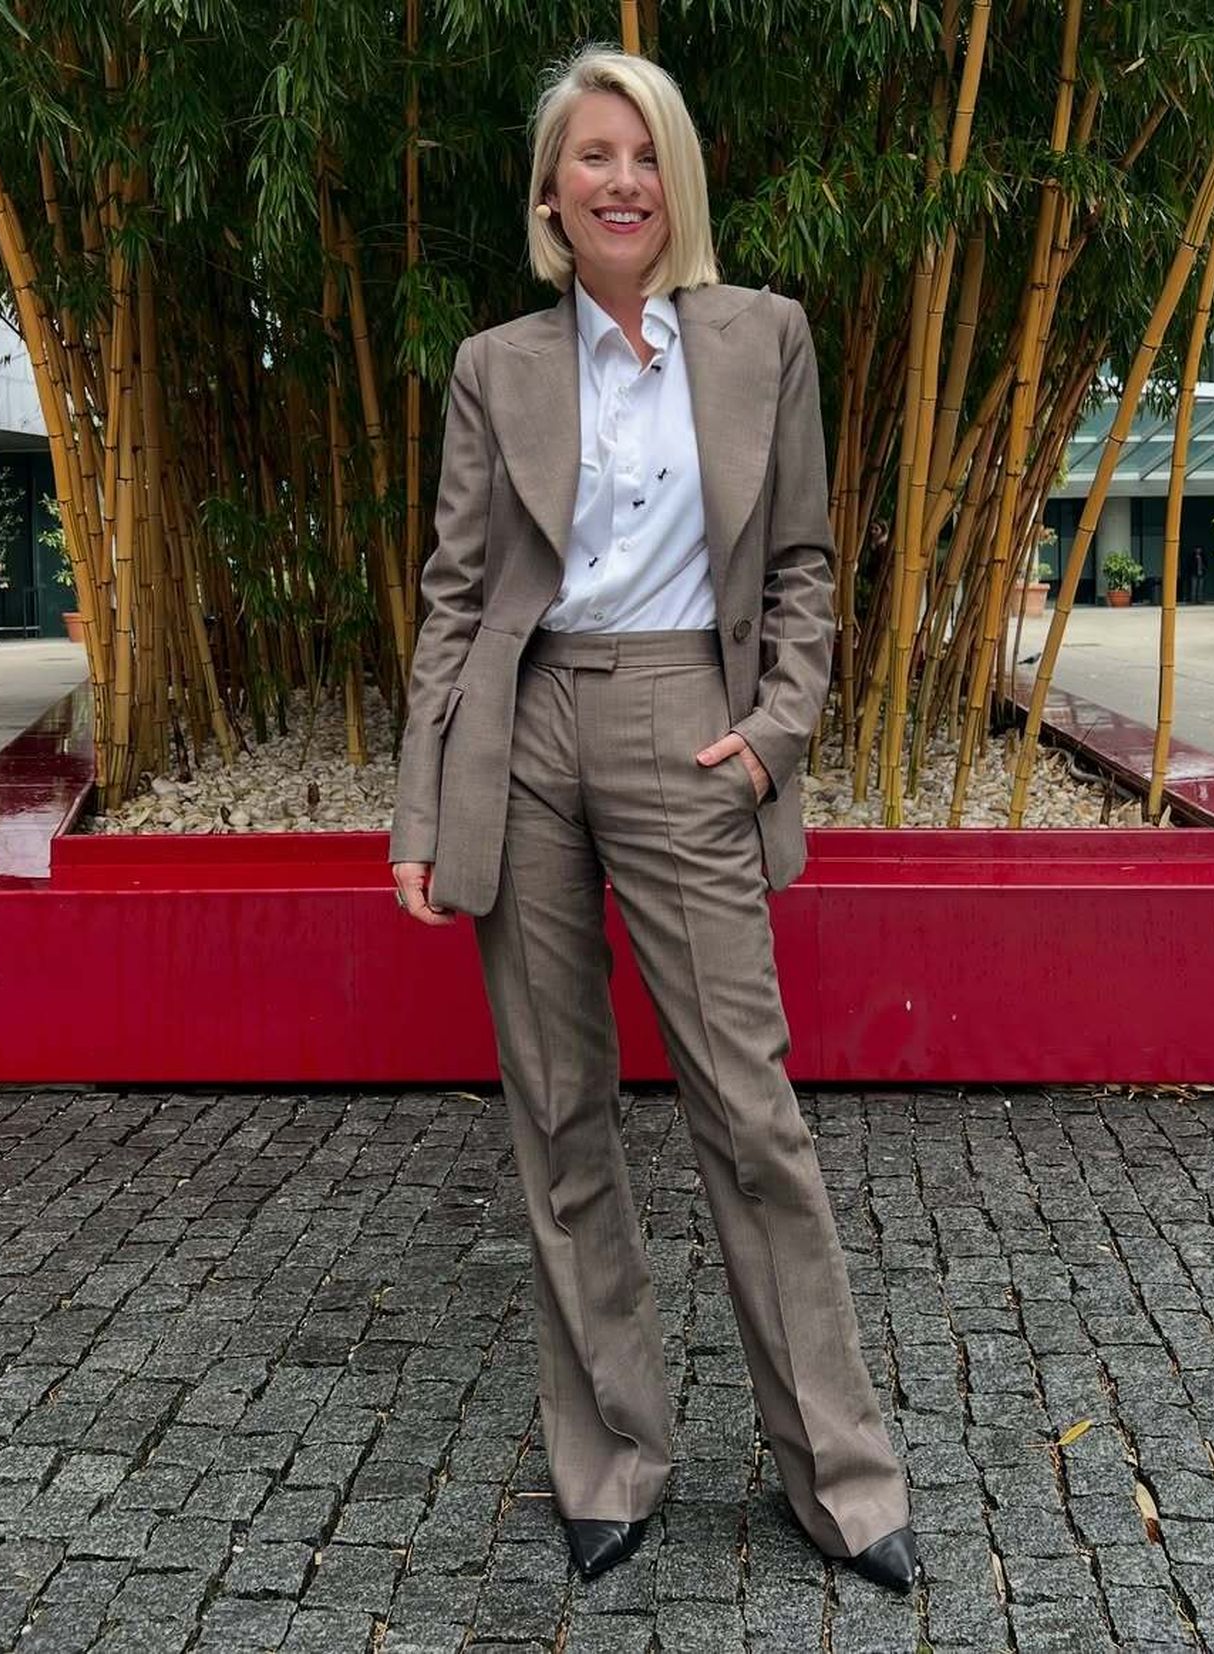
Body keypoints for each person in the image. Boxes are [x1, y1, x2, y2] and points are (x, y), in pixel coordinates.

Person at [388, 47, 916, 1591]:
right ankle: (611, 1458)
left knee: (749, 1112)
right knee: (558, 1110)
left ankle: (843, 1477)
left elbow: (804, 563)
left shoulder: (764, 339)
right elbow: (457, 595)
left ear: (676, 179)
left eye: (643, 153)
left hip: (692, 718)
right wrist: (423, 800)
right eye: (590, 156)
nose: (619, 180)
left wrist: (775, 733)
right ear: (551, 193)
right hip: (527, 724)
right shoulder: (496, 365)